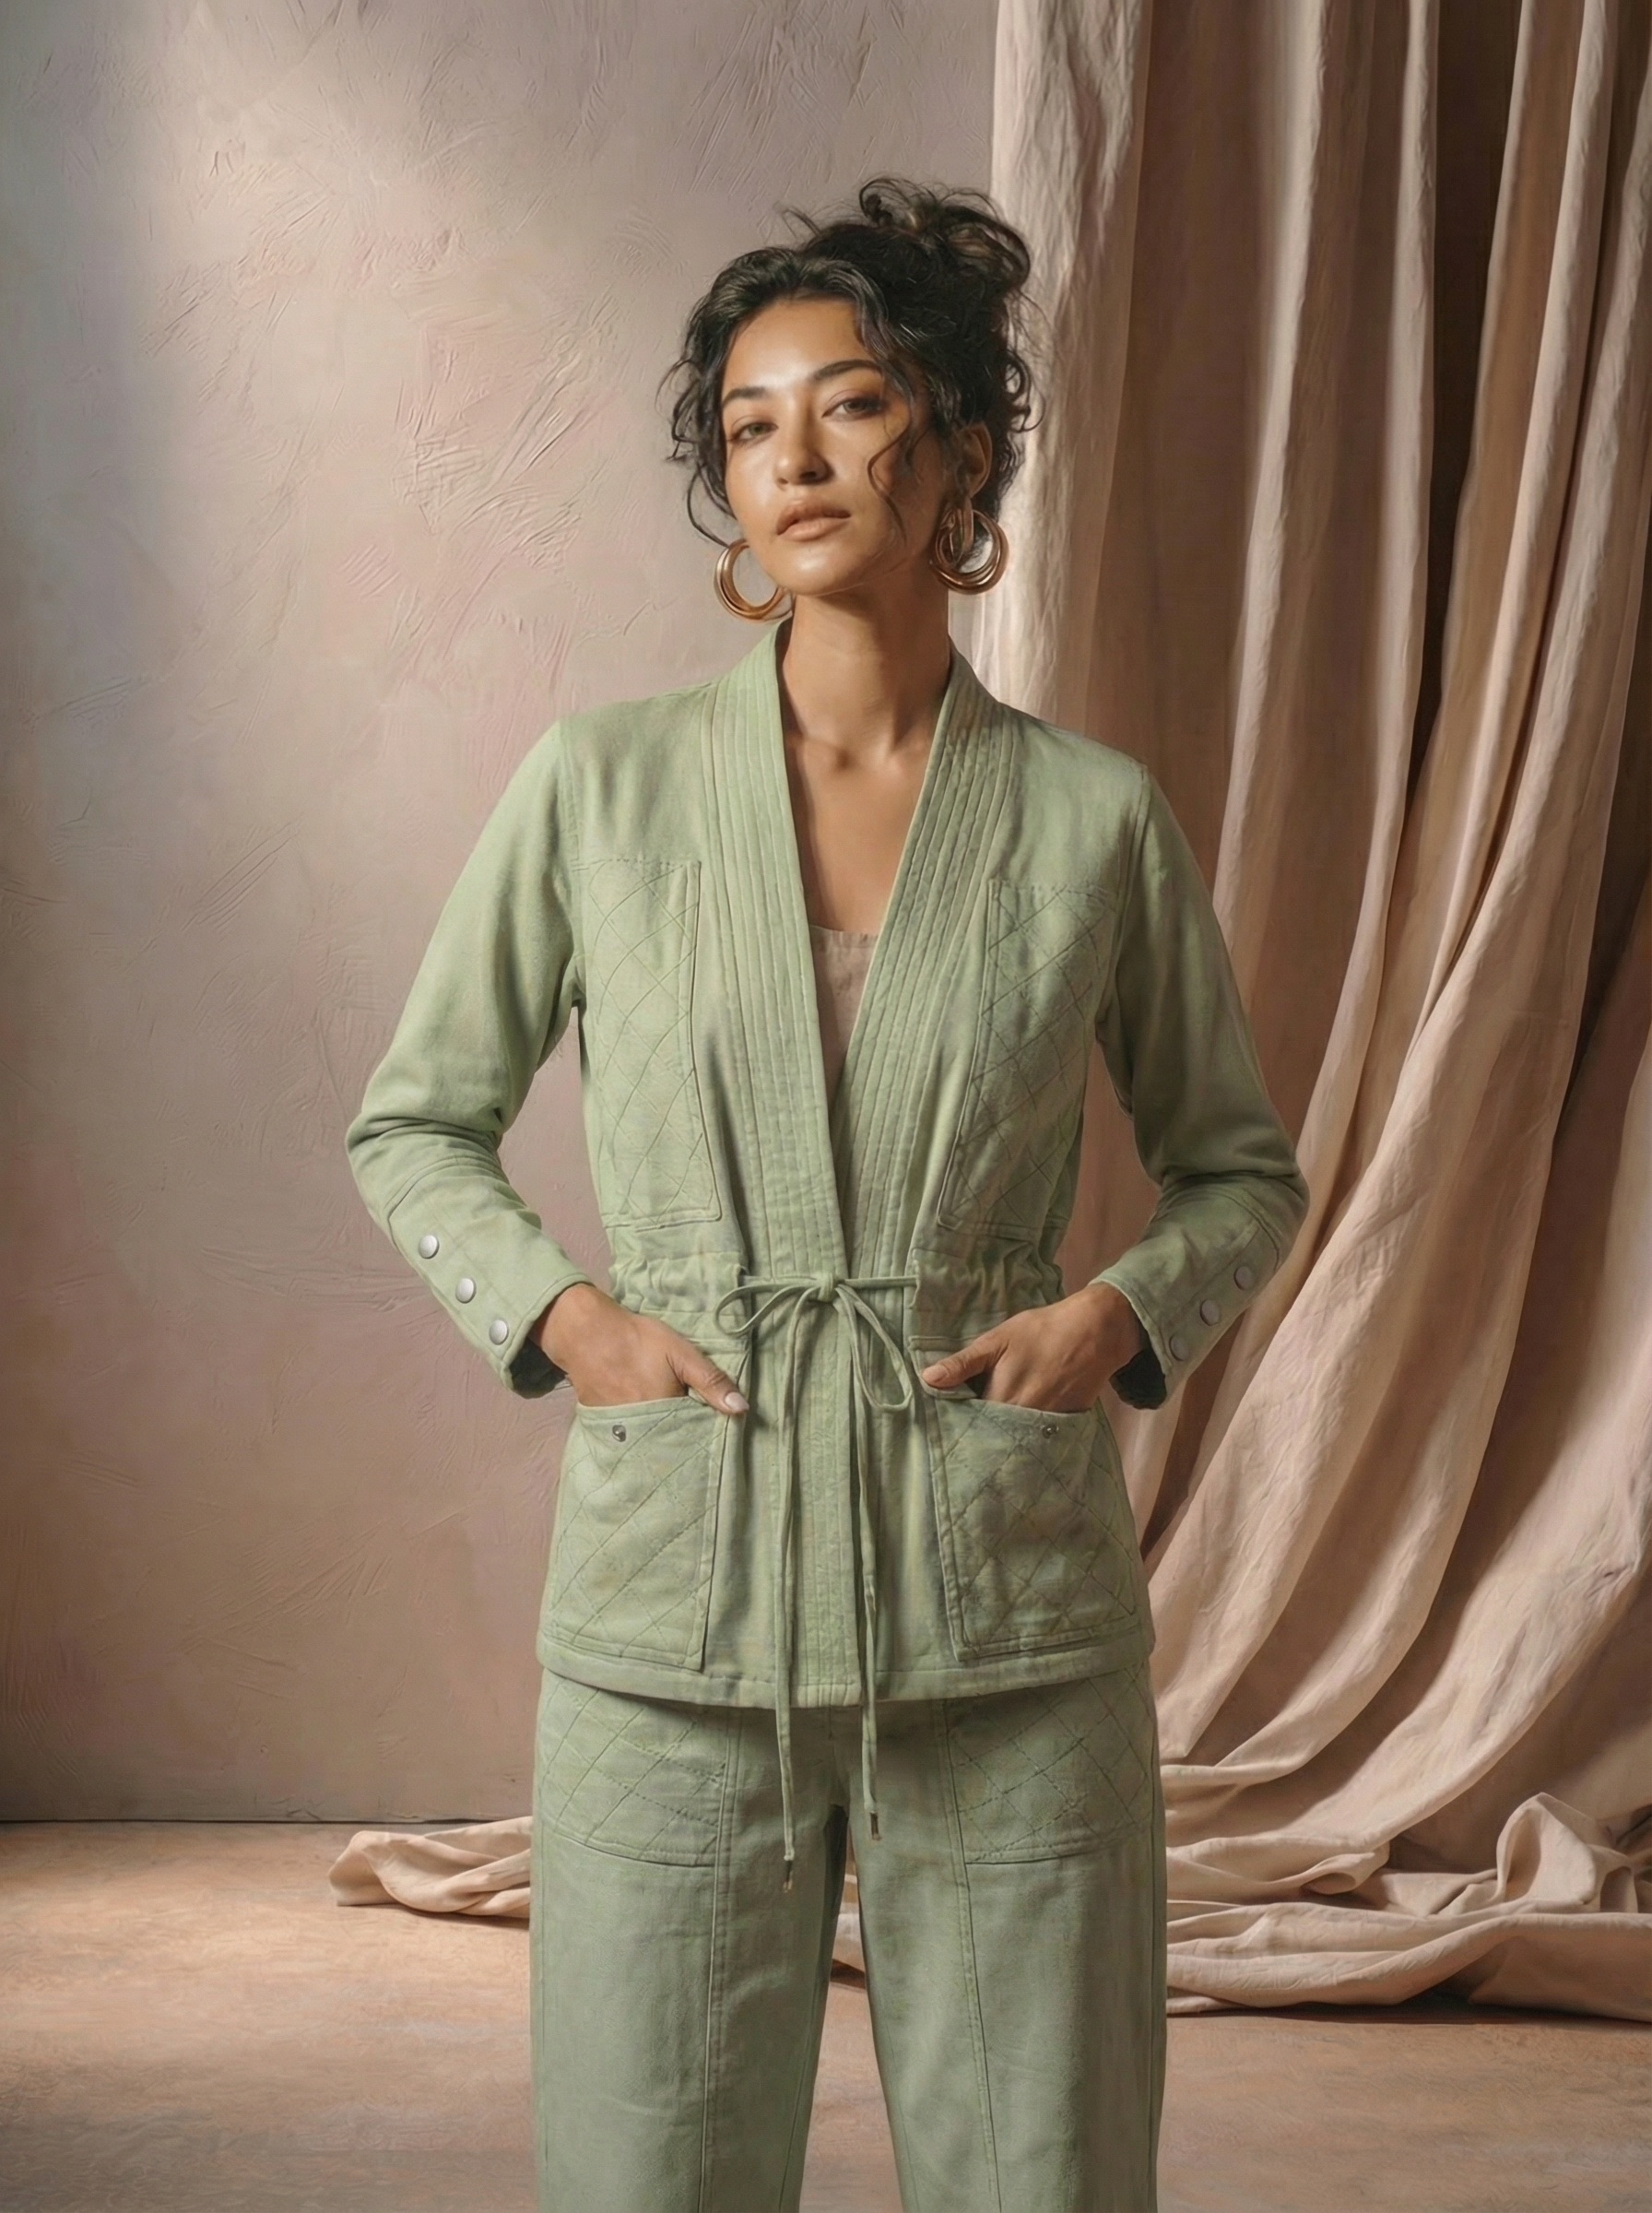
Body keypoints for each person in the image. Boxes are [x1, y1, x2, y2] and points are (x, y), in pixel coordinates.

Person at [345, 177, 1308, 2213]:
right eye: (748, 423)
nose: (790, 457)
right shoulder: (597, 790)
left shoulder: (1091, 821)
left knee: (1044, 2173)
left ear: (956, 451)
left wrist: (1113, 1317)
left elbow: (1238, 1174)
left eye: (851, 406)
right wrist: (569, 1321)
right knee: (647, 2171)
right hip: (677, 1598)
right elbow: (412, 1124)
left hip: (1005, 1602)